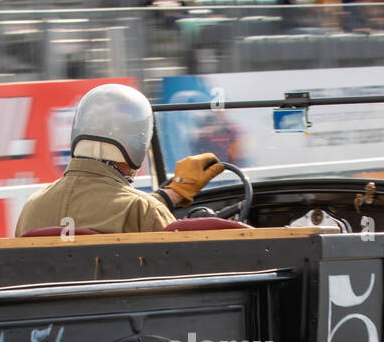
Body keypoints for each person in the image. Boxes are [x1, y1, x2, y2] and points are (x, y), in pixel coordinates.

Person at [14, 84, 226, 236]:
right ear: (137, 142)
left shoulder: (32, 206)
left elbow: (111, 209)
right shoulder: (141, 209)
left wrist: (172, 194)